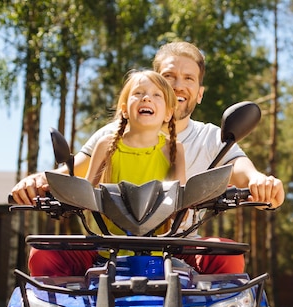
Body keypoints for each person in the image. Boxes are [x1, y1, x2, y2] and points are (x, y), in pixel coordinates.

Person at [11, 41, 284, 275]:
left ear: (200, 93)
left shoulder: (210, 137)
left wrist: (260, 181)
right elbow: (72, 172)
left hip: (178, 245)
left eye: (189, 78)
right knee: (44, 255)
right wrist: (39, 180)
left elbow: (241, 169)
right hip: (108, 244)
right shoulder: (112, 135)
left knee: (225, 255)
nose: (178, 85)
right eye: (169, 76)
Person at [28, 69, 185, 276]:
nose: (146, 97)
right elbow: (87, 192)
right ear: (125, 109)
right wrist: (61, 192)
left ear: (168, 112)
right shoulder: (105, 145)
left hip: (160, 252)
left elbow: (182, 198)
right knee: (41, 252)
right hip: (108, 248)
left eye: (157, 95)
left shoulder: (174, 149)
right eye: (138, 93)